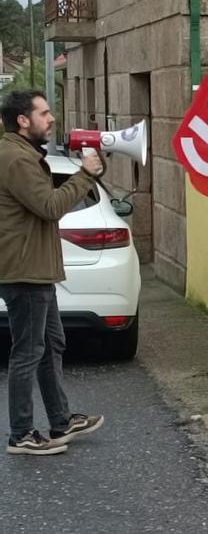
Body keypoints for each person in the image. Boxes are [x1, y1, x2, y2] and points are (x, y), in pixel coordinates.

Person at [0, 89, 106, 456]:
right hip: (24, 270)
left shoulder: (23, 154)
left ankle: (60, 421)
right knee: (28, 351)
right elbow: (49, 207)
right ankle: (21, 434)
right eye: (44, 113)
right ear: (22, 120)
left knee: (51, 345)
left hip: (36, 268)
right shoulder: (16, 159)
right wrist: (86, 175)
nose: (52, 118)